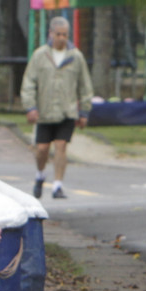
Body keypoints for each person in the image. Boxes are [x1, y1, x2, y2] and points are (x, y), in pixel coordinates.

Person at [21, 15, 94, 199]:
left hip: (66, 111)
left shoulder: (75, 57)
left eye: (65, 35)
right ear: (51, 34)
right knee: (42, 149)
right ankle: (40, 175)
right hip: (45, 113)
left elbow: (85, 86)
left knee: (61, 146)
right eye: (59, 34)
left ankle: (57, 185)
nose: (62, 38)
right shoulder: (40, 55)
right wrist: (30, 107)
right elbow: (29, 82)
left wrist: (84, 111)